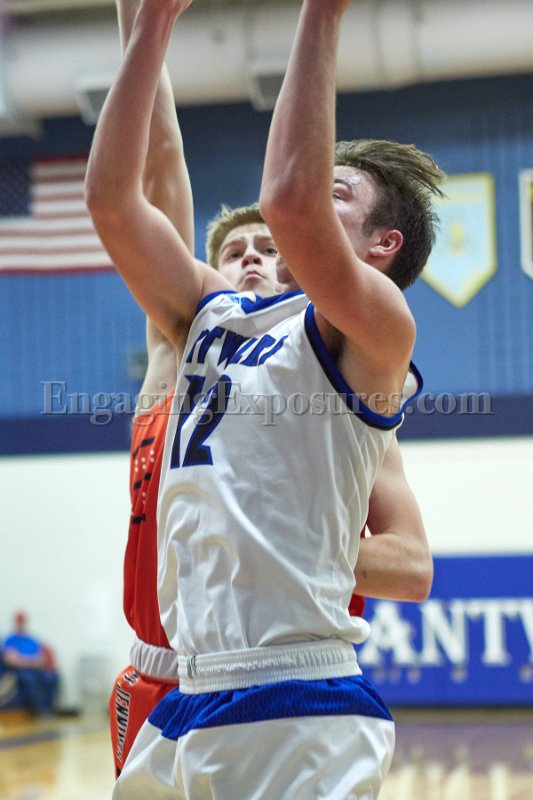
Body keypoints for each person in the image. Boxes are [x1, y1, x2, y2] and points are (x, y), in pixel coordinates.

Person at [86, 1, 442, 794]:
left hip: (296, 690)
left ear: (381, 245)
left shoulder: (378, 327)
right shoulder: (207, 317)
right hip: (186, 693)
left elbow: (287, 200)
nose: (263, 249)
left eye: (336, 192)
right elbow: (115, 200)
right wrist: (150, 25)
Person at [3, 611, 58, 716]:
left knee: (51, 677)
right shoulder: (10, 640)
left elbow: (42, 659)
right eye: (19, 621)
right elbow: (11, 661)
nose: (21, 623)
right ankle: (40, 710)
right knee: (30, 678)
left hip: (36, 670)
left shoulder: (32, 640)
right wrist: (31, 661)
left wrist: (25, 660)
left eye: (22, 621)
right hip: (19, 672)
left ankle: (49, 709)